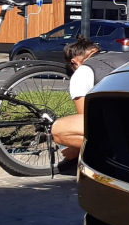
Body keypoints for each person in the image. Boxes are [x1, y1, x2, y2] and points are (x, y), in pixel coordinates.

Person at [51, 36, 122, 175]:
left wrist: (74, 148)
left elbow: (86, 118)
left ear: (75, 61)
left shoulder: (82, 72)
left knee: (59, 130)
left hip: (126, 129)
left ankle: (115, 157)